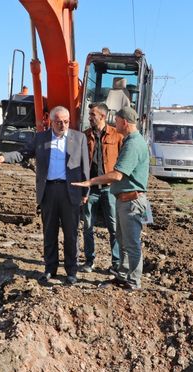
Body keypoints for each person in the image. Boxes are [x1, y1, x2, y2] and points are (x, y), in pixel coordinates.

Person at [0, 106, 89, 285]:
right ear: (51, 122)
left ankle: (71, 271)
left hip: (71, 191)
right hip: (49, 191)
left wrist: (85, 191)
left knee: (71, 234)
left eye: (66, 121)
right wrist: (5, 157)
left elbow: (85, 166)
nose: (63, 125)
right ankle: (50, 269)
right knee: (49, 232)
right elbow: (23, 153)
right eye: (59, 122)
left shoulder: (79, 138)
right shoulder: (41, 138)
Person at [72, 106, 149, 290]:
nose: (115, 123)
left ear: (124, 122)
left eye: (118, 120)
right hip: (124, 198)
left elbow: (117, 175)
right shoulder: (131, 140)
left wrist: (90, 182)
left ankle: (133, 282)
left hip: (131, 200)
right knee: (122, 241)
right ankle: (122, 276)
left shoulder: (132, 144)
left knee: (131, 244)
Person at [80, 102, 123, 274]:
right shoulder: (85, 136)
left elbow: (123, 161)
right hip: (91, 188)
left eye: (92, 115)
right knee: (87, 226)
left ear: (102, 117)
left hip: (110, 188)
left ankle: (117, 263)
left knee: (113, 227)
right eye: (89, 115)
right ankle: (89, 261)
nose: (89, 117)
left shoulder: (116, 136)